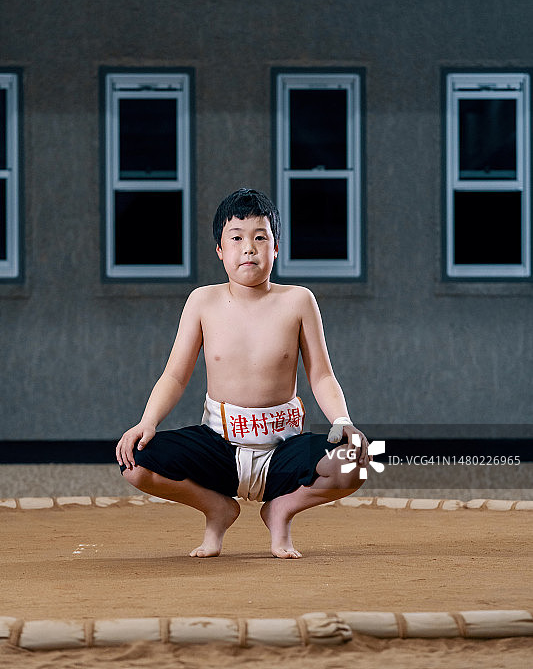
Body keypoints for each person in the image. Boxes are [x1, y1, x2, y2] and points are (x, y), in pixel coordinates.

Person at [116, 188, 369, 559]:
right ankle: (217, 508)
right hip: (217, 445)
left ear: (276, 247)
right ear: (220, 250)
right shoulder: (202, 301)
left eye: (260, 237)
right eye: (236, 238)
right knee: (134, 462)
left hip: (283, 447)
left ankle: (281, 510)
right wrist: (147, 421)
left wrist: (343, 421)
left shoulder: (299, 301)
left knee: (356, 462)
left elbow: (322, 376)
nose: (248, 248)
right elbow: (174, 376)